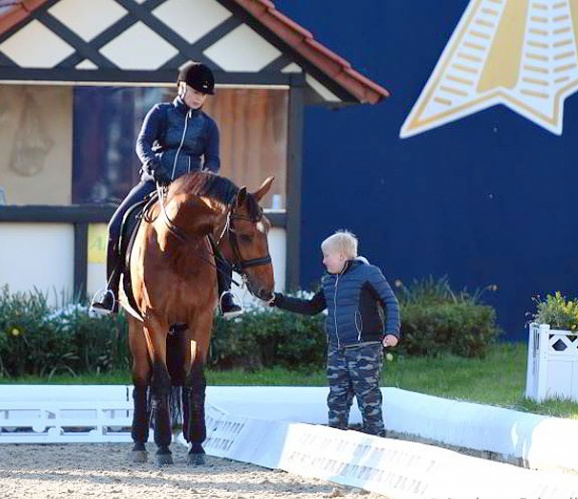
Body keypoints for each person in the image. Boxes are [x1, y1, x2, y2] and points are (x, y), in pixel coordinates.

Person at [91, 62, 243, 318]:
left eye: (203, 94)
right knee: (116, 225)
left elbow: (213, 159)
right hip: (154, 183)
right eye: (196, 92)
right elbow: (143, 143)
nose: (199, 98)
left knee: (219, 229)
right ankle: (110, 292)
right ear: (182, 87)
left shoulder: (208, 126)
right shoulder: (160, 112)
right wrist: (153, 165)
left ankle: (226, 295)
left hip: (190, 192)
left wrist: (206, 177)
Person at [268, 230, 400, 436]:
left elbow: (390, 301)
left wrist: (392, 332)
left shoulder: (369, 273)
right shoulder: (329, 281)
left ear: (341, 255)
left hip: (365, 348)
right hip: (337, 350)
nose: (323, 261)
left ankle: (376, 438)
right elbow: (312, 307)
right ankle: (336, 438)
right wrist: (278, 300)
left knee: (368, 397)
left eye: (326, 256)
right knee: (337, 399)